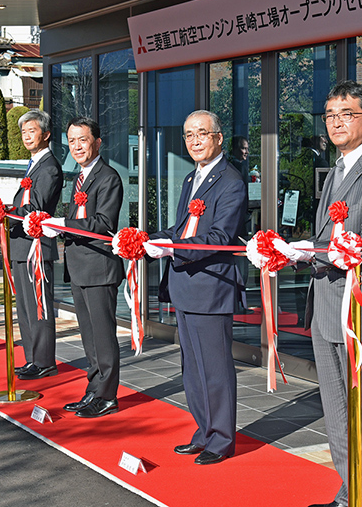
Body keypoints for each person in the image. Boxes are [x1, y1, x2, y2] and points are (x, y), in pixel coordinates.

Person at [288, 81, 362, 507]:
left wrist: (312, 250)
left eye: (347, 114)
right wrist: (302, 249)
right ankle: (350, 493)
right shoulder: (336, 168)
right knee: (338, 414)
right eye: (330, 115)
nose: (336, 122)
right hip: (326, 306)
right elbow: (331, 236)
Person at [144, 110, 247, 466]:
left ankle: (222, 438)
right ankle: (204, 431)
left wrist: (172, 248)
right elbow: (182, 228)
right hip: (185, 284)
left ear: (218, 138)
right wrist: (152, 240)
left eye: (202, 134)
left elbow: (220, 236)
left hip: (210, 287)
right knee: (192, 368)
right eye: (188, 135)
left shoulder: (231, 180)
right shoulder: (192, 179)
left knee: (215, 369)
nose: (195, 141)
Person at [42, 117, 124, 418]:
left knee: (103, 336)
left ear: (97, 142)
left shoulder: (108, 177)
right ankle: (93, 390)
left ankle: (107, 395)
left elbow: (103, 224)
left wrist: (63, 224)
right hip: (79, 267)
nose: (77, 146)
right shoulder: (78, 178)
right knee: (88, 337)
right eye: (72, 141)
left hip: (99, 268)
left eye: (83, 140)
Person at [8, 109, 63, 380]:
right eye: (23, 132)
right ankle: (32, 358)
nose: (26, 136)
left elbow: (36, 206)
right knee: (26, 307)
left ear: (46, 134)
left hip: (36, 246)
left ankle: (43, 361)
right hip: (22, 244)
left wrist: (6, 213)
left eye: (32, 131)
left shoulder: (49, 167)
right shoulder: (33, 165)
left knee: (39, 306)